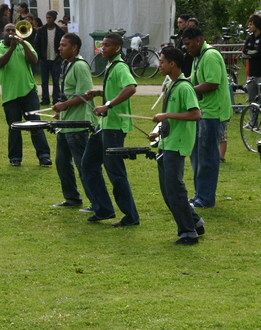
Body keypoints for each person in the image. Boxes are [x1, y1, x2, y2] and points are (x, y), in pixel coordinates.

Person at [81, 32, 140, 227]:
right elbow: (116, 89)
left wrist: (108, 105)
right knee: (88, 164)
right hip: (104, 125)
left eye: (106, 45)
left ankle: (131, 216)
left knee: (115, 172)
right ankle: (104, 209)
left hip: (114, 127)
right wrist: (98, 93)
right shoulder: (111, 66)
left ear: (116, 48)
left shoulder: (121, 66)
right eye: (102, 45)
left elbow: (131, 87)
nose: (102, 48)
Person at [149, 46, 205, 245]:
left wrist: (167, 116)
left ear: (172, 63)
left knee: (175, 190)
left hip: (177, 145)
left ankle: (188, 233)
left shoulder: (184, 86)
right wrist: (158, 129)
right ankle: (196, 223)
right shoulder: (171, 85)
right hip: (166, 141)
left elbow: (196, 114)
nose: (159, 65)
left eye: (162, 61)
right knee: (168, 190)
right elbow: (169, 113)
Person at [0, 23, 52, 167]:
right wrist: (11, 48)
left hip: (28, 91)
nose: (11, 32)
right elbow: (0, 63)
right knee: (14, 127)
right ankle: (15, 158)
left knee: (36, 124)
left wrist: (23, 44)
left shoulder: (25, 45)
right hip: (10, 94)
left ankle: (44, 156)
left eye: (13, 30)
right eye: (8, 30)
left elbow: (34, 61)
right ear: (2, 33)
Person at [183, 27, 232, 208]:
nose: (187, 48)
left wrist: (187, 91)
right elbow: (196, 79)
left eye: (188, 44)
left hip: (213, 113)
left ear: (198, 40)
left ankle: (205, 199)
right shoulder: (198, 57)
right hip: (203, 112)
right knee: (197, 156)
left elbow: (212, 83)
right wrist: (181, 83)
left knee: (208, 157)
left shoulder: (210, 55)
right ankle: (199, 195)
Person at [50, 33, 97, 208]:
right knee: (62, 162)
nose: (59, 48)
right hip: (65, 124)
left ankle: (96, 202)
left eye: (63, 45)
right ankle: (72, 198)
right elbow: (69, 93)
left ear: (74, 48)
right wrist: (61, 109)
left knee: (83, 165)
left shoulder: (80, 66)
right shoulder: (67, 64)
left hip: (78, 124)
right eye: (60, 45)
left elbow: (86, 96)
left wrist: (64, 106)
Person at [34, 10, 65, 105]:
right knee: (44, 81)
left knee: (56, 81)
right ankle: (45, 99)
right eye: (47, 18)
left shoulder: (60, 31)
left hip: (55, 60)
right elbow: (36, 43)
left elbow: (64, 44)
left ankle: (56, 99)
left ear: (54, 19)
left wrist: (60, 57)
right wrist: (39, 56)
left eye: (50, 18)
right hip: (44, 59)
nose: (48, 19)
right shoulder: (41, 30)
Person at [243, 14, 261, 104]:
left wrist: (252, 53)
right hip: (251, 75)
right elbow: (244, 53)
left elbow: (259, 53)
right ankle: (253, 118)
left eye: (251, 24)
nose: (249, 26)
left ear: (257, 25)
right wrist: (253, 53)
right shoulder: (249, 38)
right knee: (252, 101)